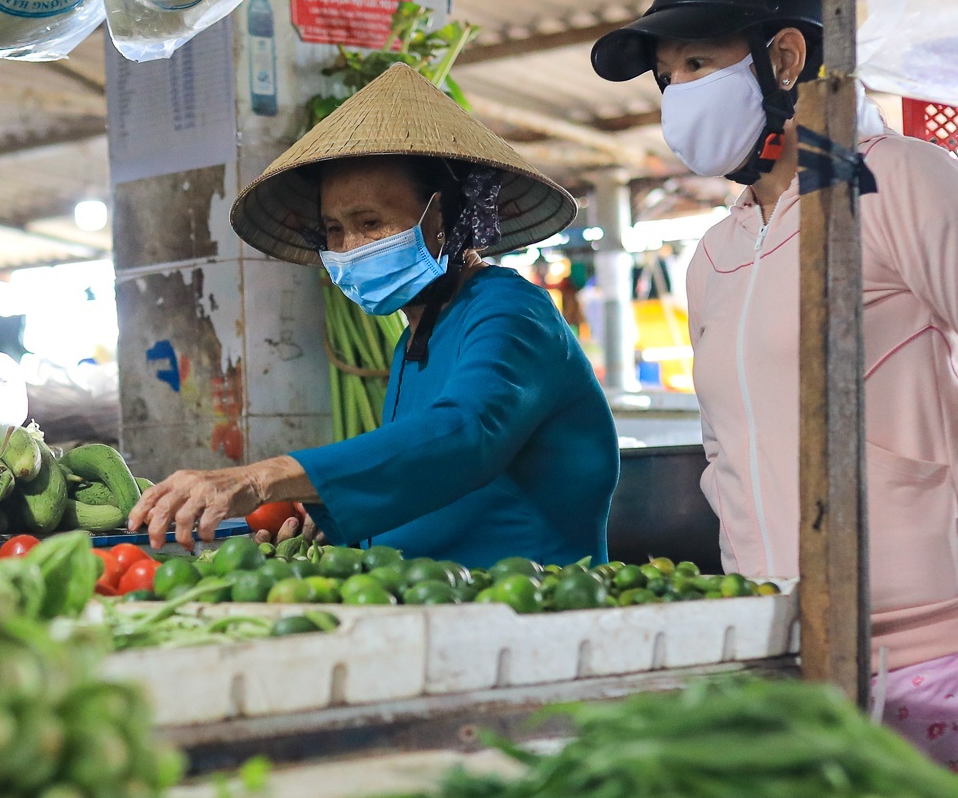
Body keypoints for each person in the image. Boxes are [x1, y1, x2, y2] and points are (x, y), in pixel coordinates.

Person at [592, 0, 958, 783]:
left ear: (786, 56)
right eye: (666, 76)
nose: (676, 93)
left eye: (698, 62)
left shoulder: (899, 183)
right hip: (788, 641)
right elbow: (725, 443)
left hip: (941, 643)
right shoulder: (715, 252)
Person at [129, 63, 620, 566]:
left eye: (370, 222)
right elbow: (417, 479)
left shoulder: (513, 311)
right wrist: (328, 521)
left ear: (445, 217)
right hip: (438, 604)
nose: (349, 247)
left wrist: (260, 478)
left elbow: (467, 434)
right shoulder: (412, 342)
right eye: (335, 230)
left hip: (539, 602)